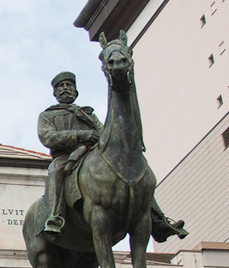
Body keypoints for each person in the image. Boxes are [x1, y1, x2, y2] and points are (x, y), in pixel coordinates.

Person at [38, 71, 187, 242]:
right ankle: (55, 216)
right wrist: (80, 135)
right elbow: (48, 137)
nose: (65, 89)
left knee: (135, 174)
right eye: (60, 86)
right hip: (66, 156)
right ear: (55, 93)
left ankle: (158, 219)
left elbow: (104, 133)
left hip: (92, 154)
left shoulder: (88, 114)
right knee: (55, 171)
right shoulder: (48, 115)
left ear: (75, 91)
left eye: (68, 85)